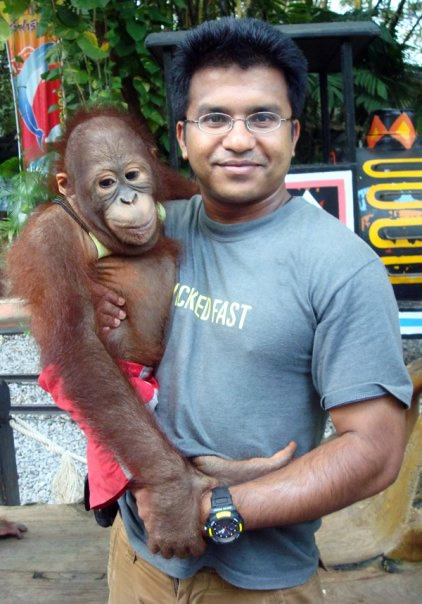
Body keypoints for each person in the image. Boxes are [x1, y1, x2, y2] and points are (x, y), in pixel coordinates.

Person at [97, 17, 412, 603]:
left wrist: (216, 508)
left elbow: (374, 451)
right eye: (215, 118)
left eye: (262, 118)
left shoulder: (340, 266)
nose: (238, 139)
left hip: (260, 581)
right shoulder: (150, 232)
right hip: (138, 559)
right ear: (183, 134)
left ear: (293, 135)